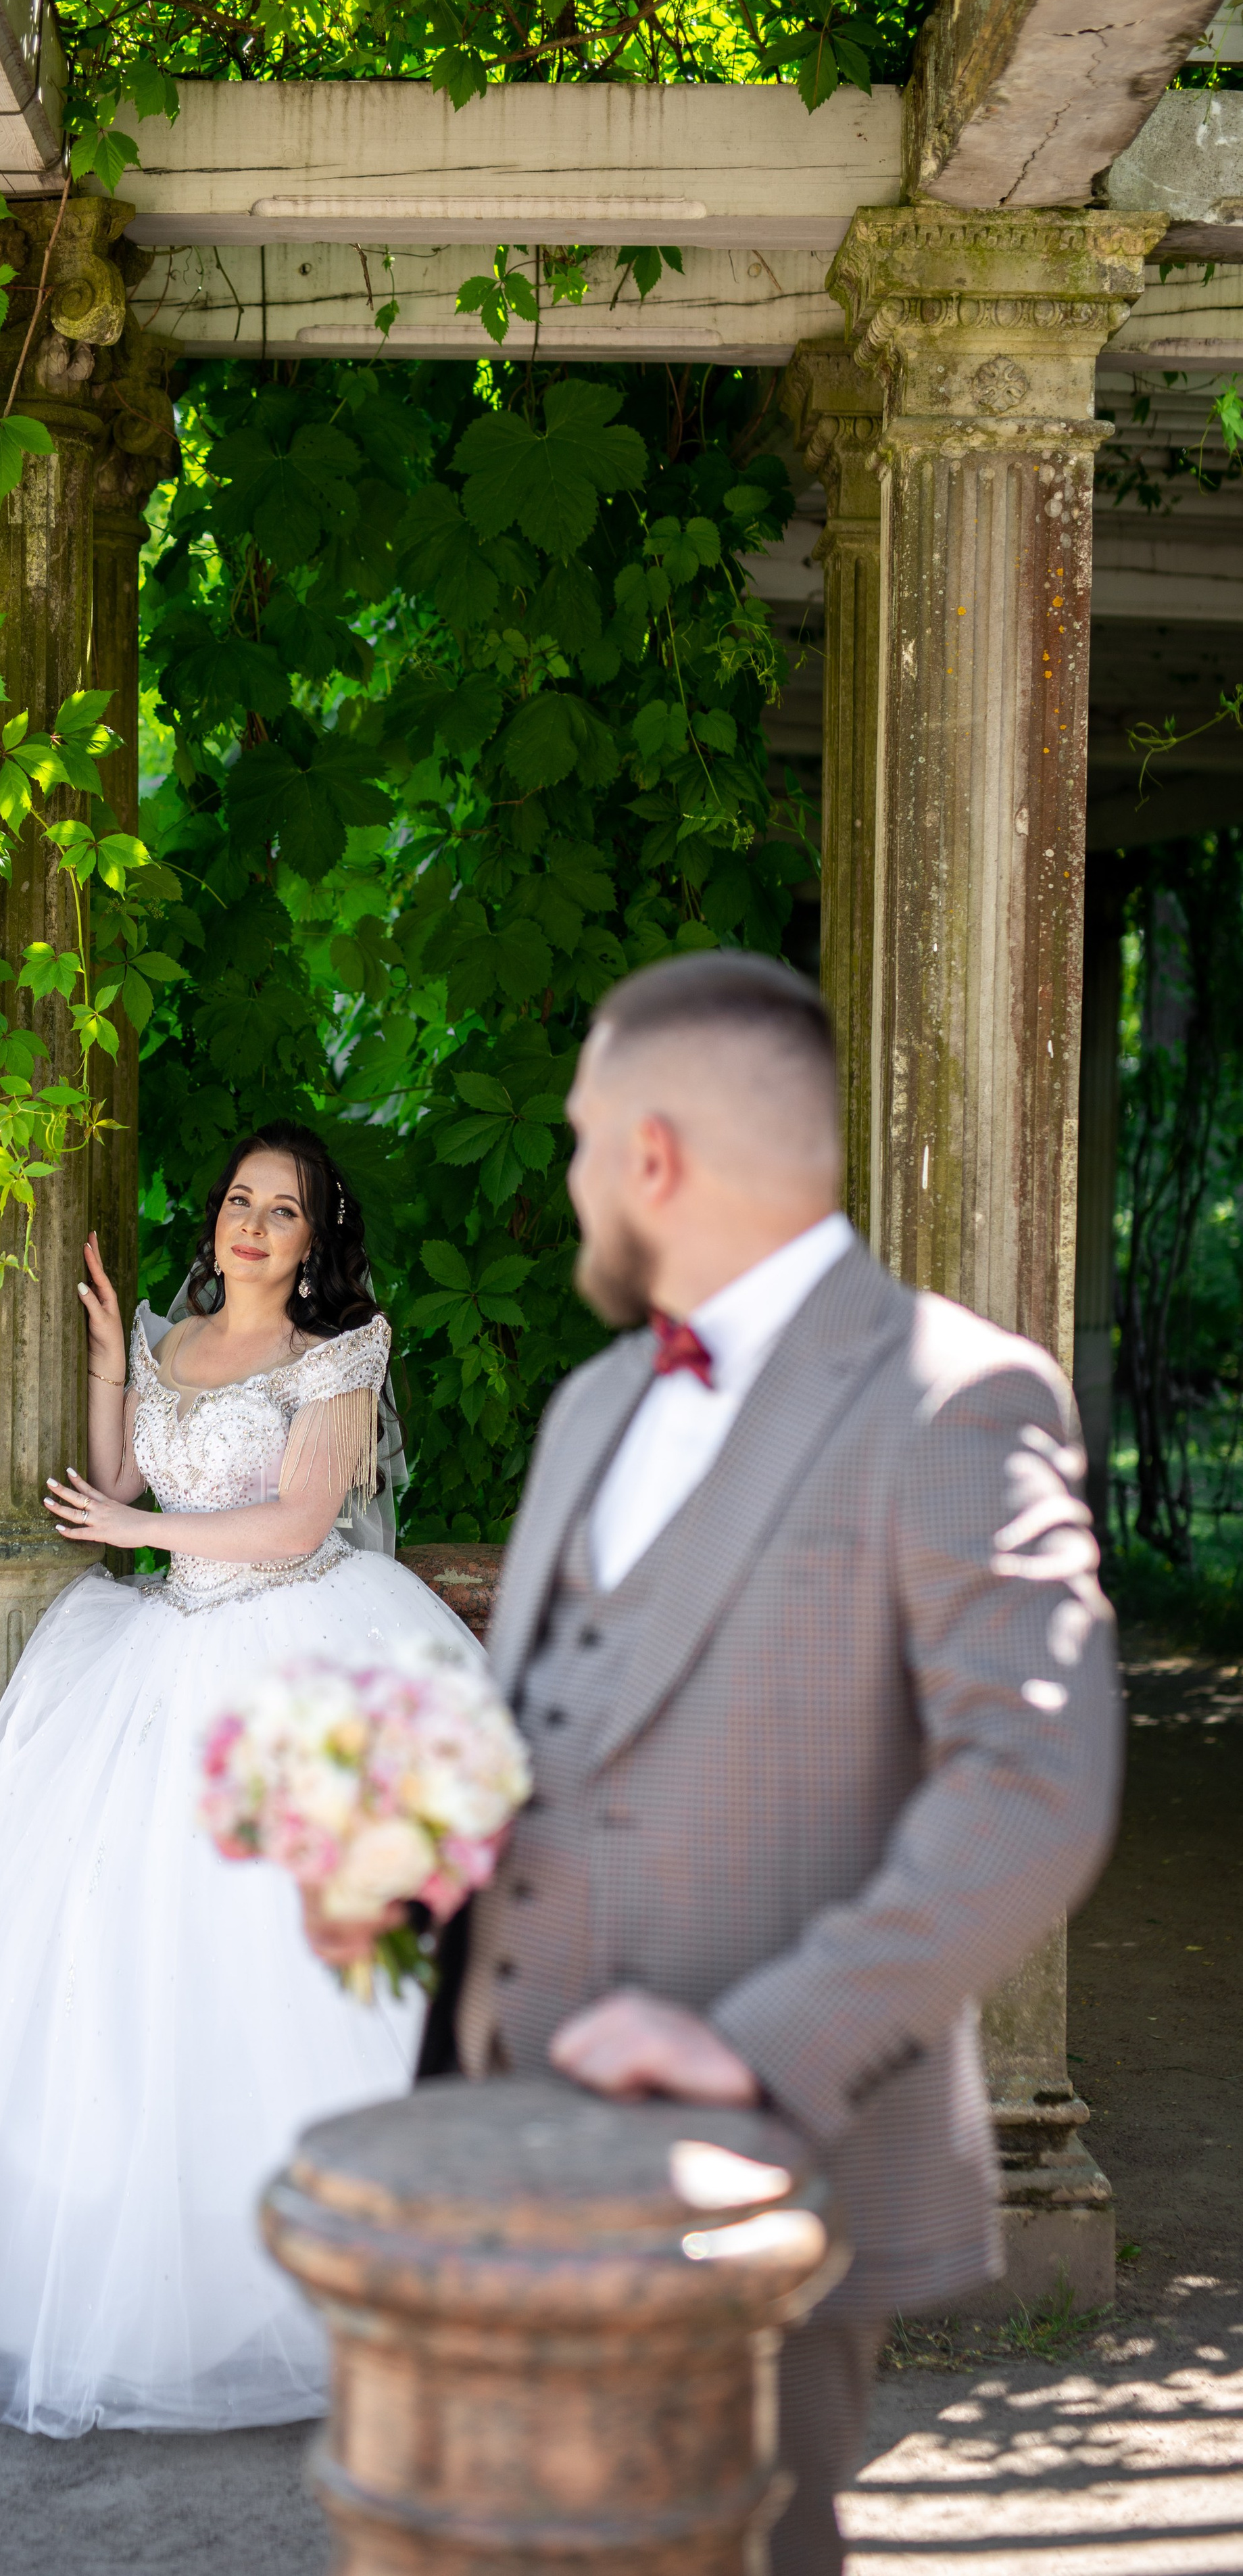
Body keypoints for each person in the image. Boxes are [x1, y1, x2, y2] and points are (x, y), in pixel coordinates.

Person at [315, 953, 1121, 2576]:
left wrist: (749, 2052)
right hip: (498, 2136)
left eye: (575, 1142)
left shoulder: (954, 1398)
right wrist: (404, 1867)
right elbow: (550, 1730)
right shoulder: (595, 1400)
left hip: (760, 2170)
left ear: (654, 1156)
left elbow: (1031, 1787)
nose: (565, 1181)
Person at [0, 1122, 482, 2437]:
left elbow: (297, 1523)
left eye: (281, 1211)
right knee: (118, 1967)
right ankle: (145, 2293)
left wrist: (135, 1530)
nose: (249, 1224)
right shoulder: (171, 1342)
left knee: (294, 1977)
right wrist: (101, 1366)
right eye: (238, 1199)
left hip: (293, 1640)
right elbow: (120, 1474)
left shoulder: (336, 1357)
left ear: (312, 1245)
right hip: (162, 1644)